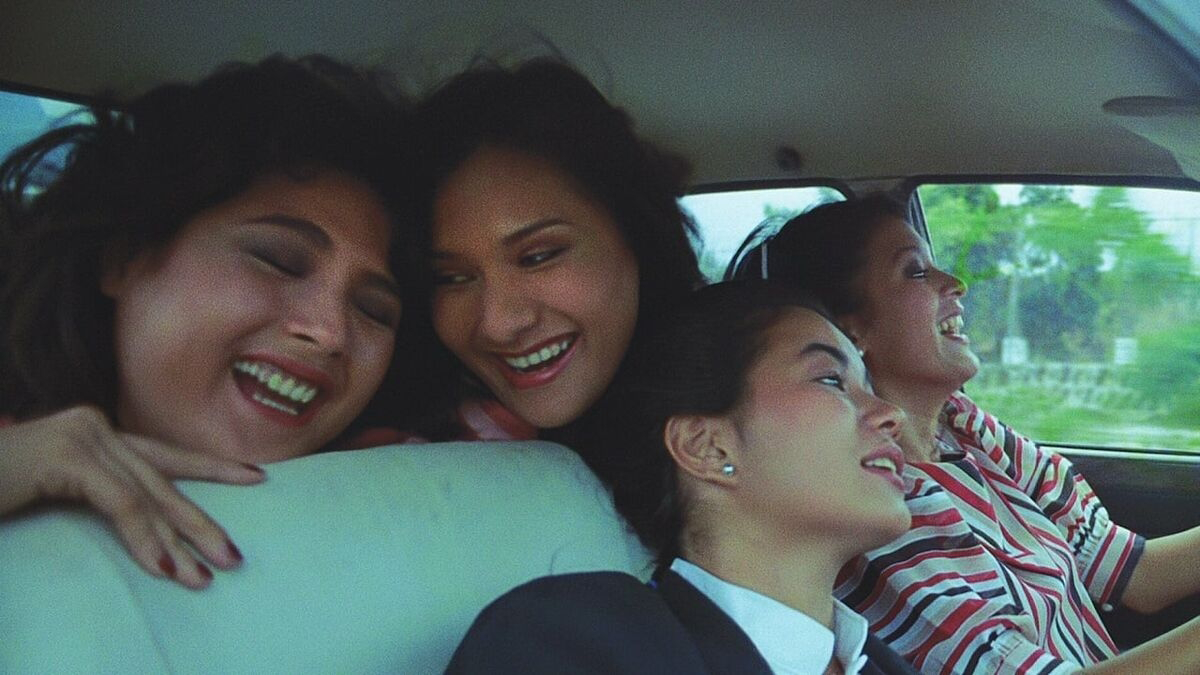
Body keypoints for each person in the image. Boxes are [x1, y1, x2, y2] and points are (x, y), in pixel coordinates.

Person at [0, 54, 438, 589]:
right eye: (277, 260)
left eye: (374, 310)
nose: (328, 332)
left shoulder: (421, 489)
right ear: (124, 258)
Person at [730, 195, 1200, 673]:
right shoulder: (875, 513)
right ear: (852, 334)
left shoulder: (964, 428)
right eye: (915, 272)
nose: (956, 284)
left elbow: (1132, 572)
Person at [446, 280, 919, 674]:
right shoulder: (571, 643)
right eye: (831, 380)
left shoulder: (881, 664)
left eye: (869, 387)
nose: (891, 413)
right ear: (706, 447)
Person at [414, 58, 703, 442]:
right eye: (451, 278)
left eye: (537, 257)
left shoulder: (749, 425)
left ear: (635, 233)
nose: (498, 325)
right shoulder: (409, 467)